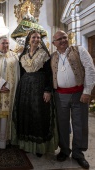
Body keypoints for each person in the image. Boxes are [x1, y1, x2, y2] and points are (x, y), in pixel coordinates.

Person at [51, 30, 95, 169]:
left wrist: (87, 91)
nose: (63, 40)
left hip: (79, 94)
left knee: (79, 124)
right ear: (54, 43)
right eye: (59, 39)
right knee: (62, 124)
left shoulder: (79, 50)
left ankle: (78, 153)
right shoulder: (52, 56)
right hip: (60, 95)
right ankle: (64, 150)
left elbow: (90, 69)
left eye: (64, 37)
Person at [11, 30, 58, 156]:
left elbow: (49, 73)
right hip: (25, 87)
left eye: (38, 37)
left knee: (39, 115)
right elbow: (21, 73)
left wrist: (48, 90)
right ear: (28, 39)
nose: (36, 39)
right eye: (33, 37)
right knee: (26, 114)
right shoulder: (23, 55)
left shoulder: (44, 54)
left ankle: (39, 146)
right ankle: (27, 144)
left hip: (39, 86)